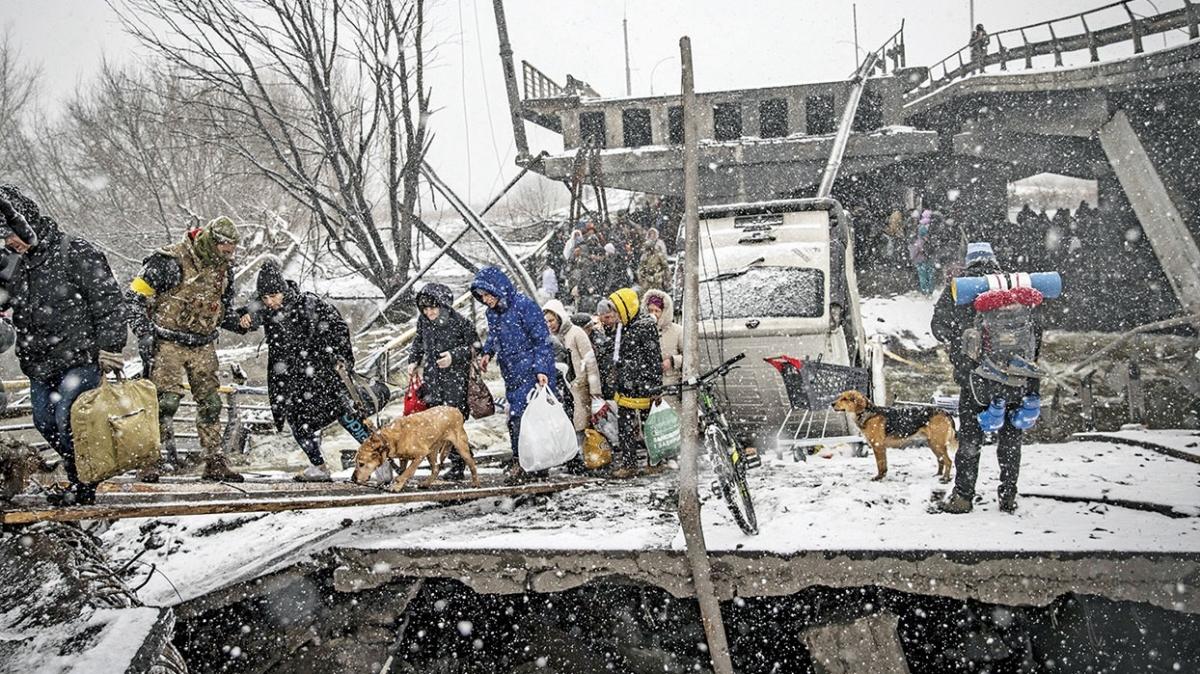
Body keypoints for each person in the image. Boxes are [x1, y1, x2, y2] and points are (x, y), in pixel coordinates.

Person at [0, 185, 128, 505]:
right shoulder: (11, 265)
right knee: (44, 421)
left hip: (79, 355)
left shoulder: (73, 251)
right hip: (38, 360)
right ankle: (78, 473)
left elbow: (108, 300)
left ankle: (83, 484)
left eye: (10, 237)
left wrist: (111, 347)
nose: (9, 245)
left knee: (69, 419)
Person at [127, 216, 250, 482]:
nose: (229, 254)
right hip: (168, 341)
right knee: (164, 403)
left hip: (203, 342)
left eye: (232, 249)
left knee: (211, 403)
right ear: (210, 242)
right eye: (224, 248)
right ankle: (150, 460)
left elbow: (222, 308)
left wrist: (240, 321)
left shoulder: (223, 270)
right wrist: (144, 333)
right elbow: (134, 297)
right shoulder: (168, 261)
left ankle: (214, 459)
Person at [931, 242, 1044, 514]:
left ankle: (963, 496)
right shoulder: (1012, 288)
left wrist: (958, 346)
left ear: (969, 261)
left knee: (970, 438)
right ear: (994, 260)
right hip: (1017, 377)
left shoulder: (960, 289)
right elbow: (1037, 333)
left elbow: (938, 327)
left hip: (976, 379)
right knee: (1011, 436)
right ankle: (1007, 496)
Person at [238, 259, 374, 481]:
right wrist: (247, 317)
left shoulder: (309, 303)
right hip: (290, 377)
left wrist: (342, 359)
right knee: (296, 420)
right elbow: (245, 314)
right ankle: (319, 467)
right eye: (265, 298)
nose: (270, 302)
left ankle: (379, 458)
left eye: (273, 296)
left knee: (345, 414)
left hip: (320, 371)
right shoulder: (265, 308)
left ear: (283, 290)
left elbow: (339, 327)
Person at [470, 266, 556, 482]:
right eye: (482, 297)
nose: (486, 300)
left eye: (488, 295)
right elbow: (494, 337)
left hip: (529, 371)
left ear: (498, 289)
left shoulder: (524, 306)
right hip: (510, 371)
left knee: (525, 418)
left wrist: (541, 369)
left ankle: (528, 462)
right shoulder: (493, 313)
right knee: (515, 417)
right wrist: (487, 352)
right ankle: (526, 461)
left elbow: (542, 341)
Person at [409, 282, 478, 481]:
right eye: (425, 308)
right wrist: (413, 360)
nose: (429, 312)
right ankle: (443, 464)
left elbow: (474, 347)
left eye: (433, 307)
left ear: (443, 306)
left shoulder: (460, 322)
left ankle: (459, 464)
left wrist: (453, 356)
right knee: (436, 426)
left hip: (455, 382)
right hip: (433, 382)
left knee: (453, 426)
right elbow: (419, 341)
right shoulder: (424, 322)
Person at [607, 288, 663, 479]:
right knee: (626, 427)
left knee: (649, 425)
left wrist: (655, 386)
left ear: (626, 308)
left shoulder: (645, 326)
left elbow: (654, 357)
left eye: (616, 311)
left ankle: (654, 461)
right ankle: (629, 464)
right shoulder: (626, 325)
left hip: (643, 385)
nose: (614, 316)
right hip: (626, 385)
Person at [542, 299, 602, 444]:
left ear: (559, 317)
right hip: (564, 391)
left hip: (580, 390)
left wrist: (595, 392)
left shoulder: (576, 333)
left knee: (582, 428)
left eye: (551, 320)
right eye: (546, 322)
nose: (549, 324)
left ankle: (586, 458)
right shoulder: (550, 338)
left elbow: (590, 363)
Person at [642, 290, 682, 410]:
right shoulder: (642, 332)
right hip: (650, 389)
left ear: (664, 312)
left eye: (657, 311)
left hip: (671, 387)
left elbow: (691, 356)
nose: (653, 314)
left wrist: (672, 361)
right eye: (650, 310)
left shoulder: (678, 331)